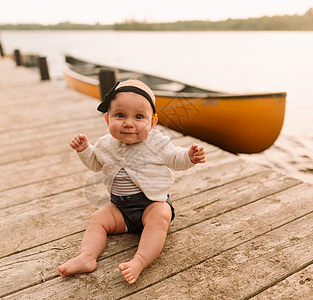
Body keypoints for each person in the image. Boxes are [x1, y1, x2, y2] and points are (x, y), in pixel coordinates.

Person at [58, 79, 205, 284]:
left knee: (160, 216)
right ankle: (87, 256)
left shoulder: (157, 143)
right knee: (97, 219)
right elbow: (95, 164)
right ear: (107, 119)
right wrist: (85, 150)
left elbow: (175, 158)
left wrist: (189, 156)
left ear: (152, 122)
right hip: (120, 208)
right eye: (120, 115)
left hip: (151, 204)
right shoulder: (105, 144)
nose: (128, 123)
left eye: (138, 117)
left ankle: (140, 260)